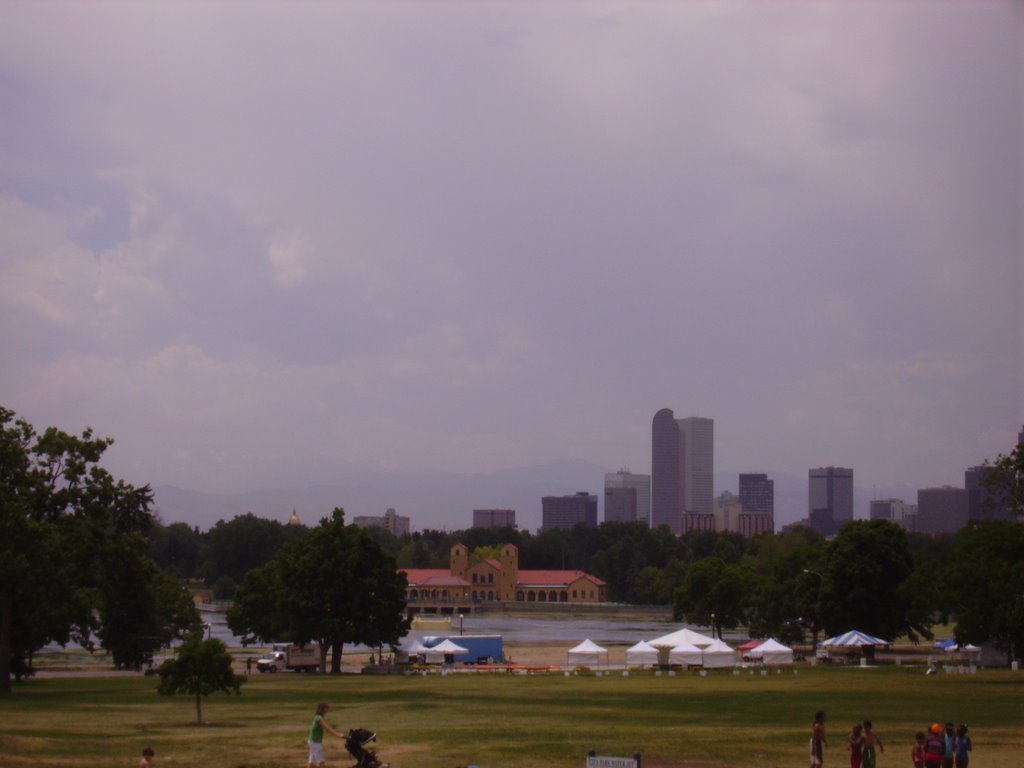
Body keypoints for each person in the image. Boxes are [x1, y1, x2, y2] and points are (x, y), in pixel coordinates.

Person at [308, 702, 344, 767]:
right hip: (315, 743)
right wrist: (338, 734)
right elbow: (327, 728)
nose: (328, 710)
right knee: (321, 762)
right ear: (323, 709)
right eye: (327, 708)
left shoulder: (318, 717)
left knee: (311, 762)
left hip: (312, 742)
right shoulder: (319, 718)